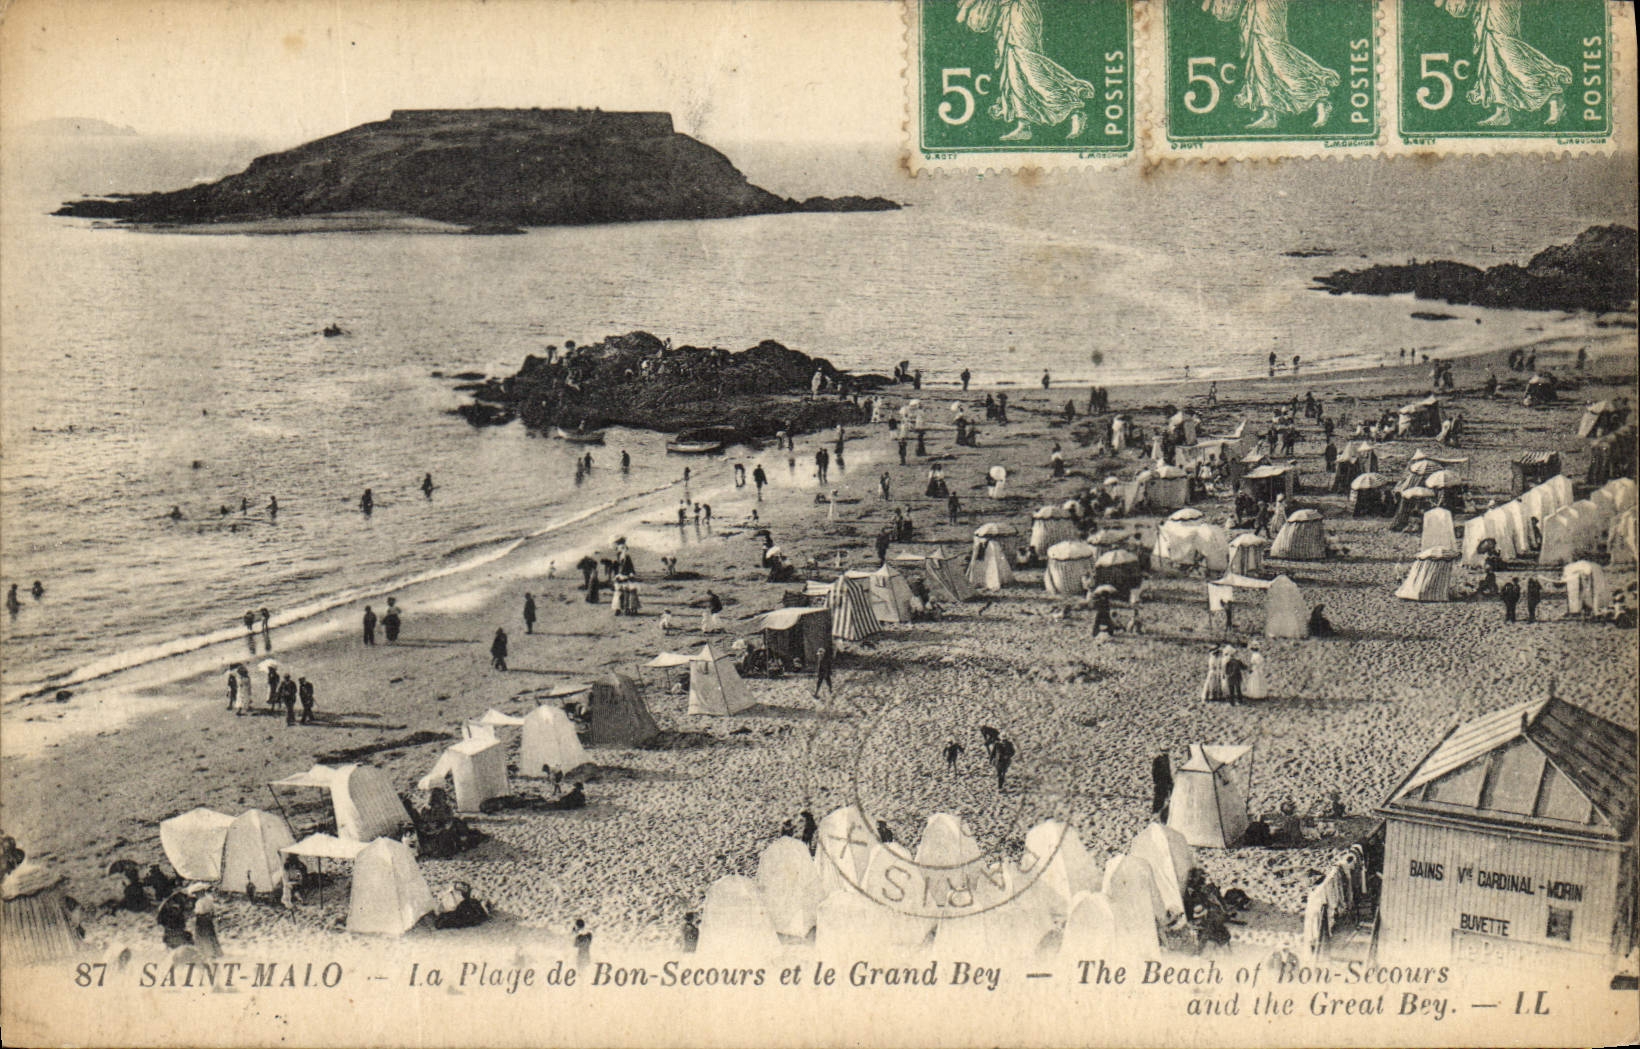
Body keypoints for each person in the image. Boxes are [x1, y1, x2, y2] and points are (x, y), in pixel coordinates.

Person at [956, 0, 1095, 142]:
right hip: (1008, 12)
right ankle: (1024, 125)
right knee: (1013, 68)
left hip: (1022, 10)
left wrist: (967, 7)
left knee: (1028, 65)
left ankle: (1073, 109)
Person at [1151, 753, 1173, 817]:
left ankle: (1159, 810)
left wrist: (1169, 781)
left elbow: (1168, 771)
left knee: (1163, 795)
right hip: (1161, 781)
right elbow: (1154, 772)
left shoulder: (1166, 759)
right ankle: (1157, 811)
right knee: (1160, 795)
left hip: (1164, 781)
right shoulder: (1158, 759)